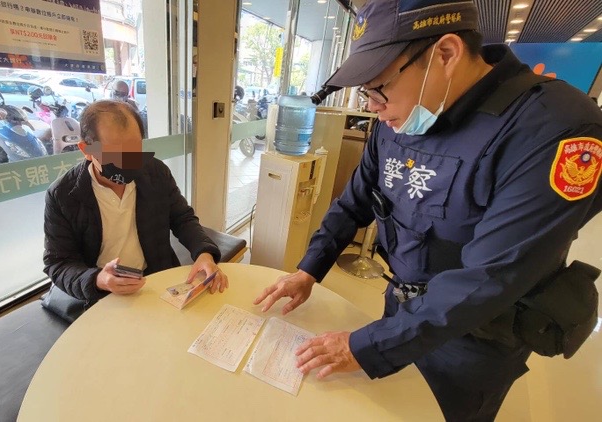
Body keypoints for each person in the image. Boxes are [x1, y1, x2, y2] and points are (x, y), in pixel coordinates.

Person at [254, 0, 602, 420]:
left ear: (446, 54)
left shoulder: (552, 127)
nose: (371, 106)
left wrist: (366, 346)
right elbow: (355, 200)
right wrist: (309, 269)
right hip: (400, 305)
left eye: (378, 87)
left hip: (474, 337)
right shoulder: (399, 118)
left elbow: (492, 276)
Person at [43, 100, 227, 317]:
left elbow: (182, 218)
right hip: (102, 295)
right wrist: (99, 279)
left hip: (157, 280)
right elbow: (59, 263)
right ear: (87, 150)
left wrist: (204, 253)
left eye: (134, 151)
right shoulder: (63, 195)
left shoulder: (155, 173)